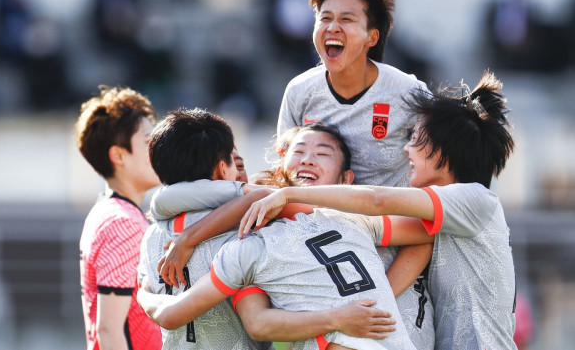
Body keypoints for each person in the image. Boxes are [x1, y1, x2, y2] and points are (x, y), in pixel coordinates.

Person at [242, 71, 517, 350]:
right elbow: (377, 224)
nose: (407, 150)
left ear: (442, 152)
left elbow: (377, 201)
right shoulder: (438, 216)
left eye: (416, 139)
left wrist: (285, 193)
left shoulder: (476, 201)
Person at [149, 122, 433, 349]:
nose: (308, 160)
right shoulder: (249, 243)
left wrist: (380, 296)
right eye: (298, 152)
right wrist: (340, 317)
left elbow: (426, 234)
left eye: (323, 154)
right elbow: (258, 323)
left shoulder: (350, 219)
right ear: (279, 166)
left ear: (347, 179)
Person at [276, 0, 434, 348]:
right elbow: (280, 176)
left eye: (347, 19)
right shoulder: (300, 92)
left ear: (371, 37)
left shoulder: (408, 93)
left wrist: (381, 294)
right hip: (318, 265)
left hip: (395, 260)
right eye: (325, 18)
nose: (333, 27)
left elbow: (435, 195)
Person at [75, 86, 162, 350]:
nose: (158, 150)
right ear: (119, 155)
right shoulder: (121, 222)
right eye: (149, 142)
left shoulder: (110, 213)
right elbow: (109, 330)